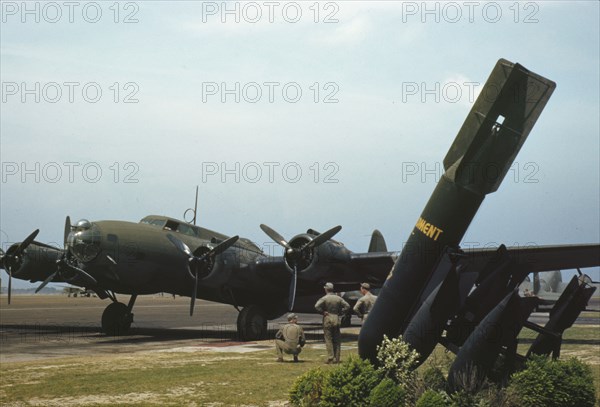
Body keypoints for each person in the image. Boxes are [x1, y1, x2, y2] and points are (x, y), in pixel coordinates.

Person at [315, 282, 350, 364]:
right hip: (336, 318)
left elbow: (317, 306)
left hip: (328, 318)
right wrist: (341, 312)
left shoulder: (324, 298)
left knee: (328, 339)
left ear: (326, 289)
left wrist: (323, 312)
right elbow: (347, 306)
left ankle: (331, 357)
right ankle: (337, 358)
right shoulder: (338, 298)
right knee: (337, 339)